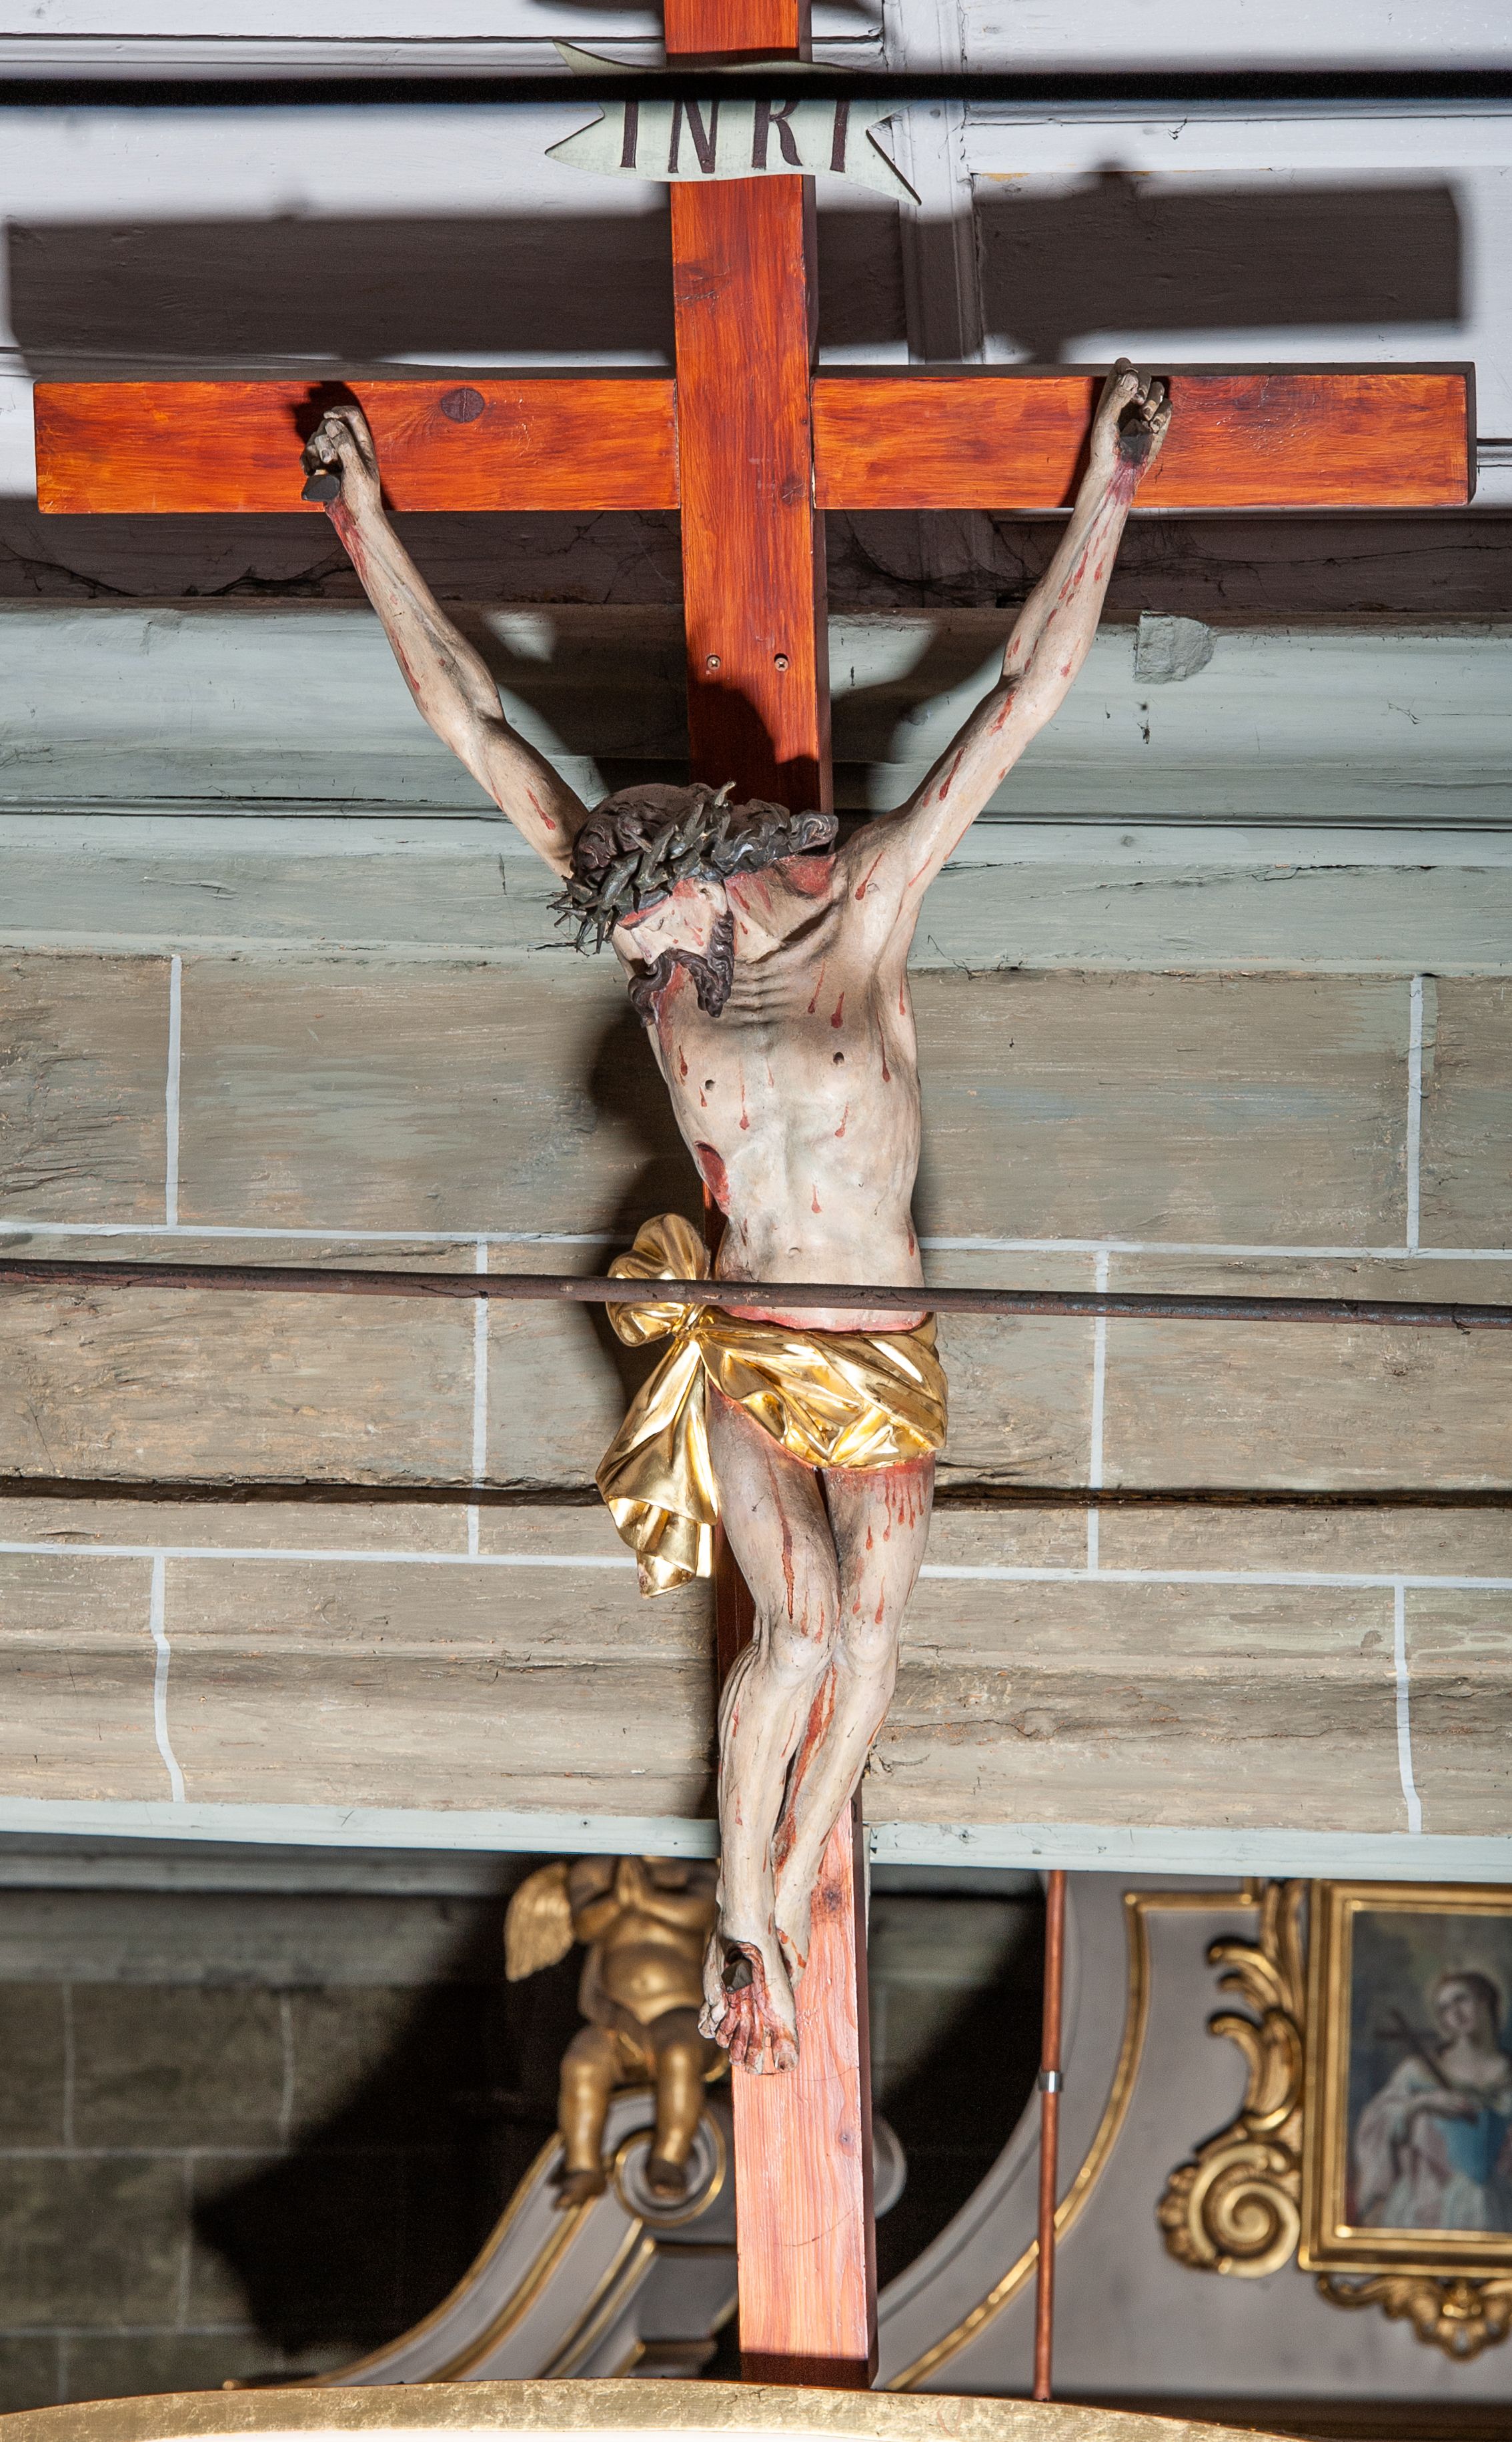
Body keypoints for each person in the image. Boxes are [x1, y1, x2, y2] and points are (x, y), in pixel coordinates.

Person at [300, 362, 1171, 2073]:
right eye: (633, 946)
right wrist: (362, 527)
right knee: (799, 1627)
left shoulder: (863, 914)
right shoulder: (661, 965)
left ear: (708, 870)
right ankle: (746, 1907)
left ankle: (782, 1872)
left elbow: (1017, 698)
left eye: (655, 933)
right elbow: (475, 726)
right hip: (748, 1339)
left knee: (867, 1640)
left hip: (877, 1349)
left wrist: (1110, 487)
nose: (645, 965)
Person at [506, 1854, 722, 2205]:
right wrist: (618, 1901)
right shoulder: (596, 1871)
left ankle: (670, 2157)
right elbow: (585, 1925)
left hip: (684, 2015)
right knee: (582, 2062)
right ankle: (582, 2166)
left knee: (679, 2054)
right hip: (616, 2017)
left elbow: (702, 1911)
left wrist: (645, 1899)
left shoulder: (697, 1868)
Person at [1352, 1970, 1512, 2233]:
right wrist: (1422, 2104)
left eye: (1461, 2000)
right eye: (1445, 2008)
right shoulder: (1418, 2072)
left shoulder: (1507, 2072)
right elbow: (1377, 2124)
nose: (1455, 2013)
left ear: (1485, 2001)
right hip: (1429, 2201)